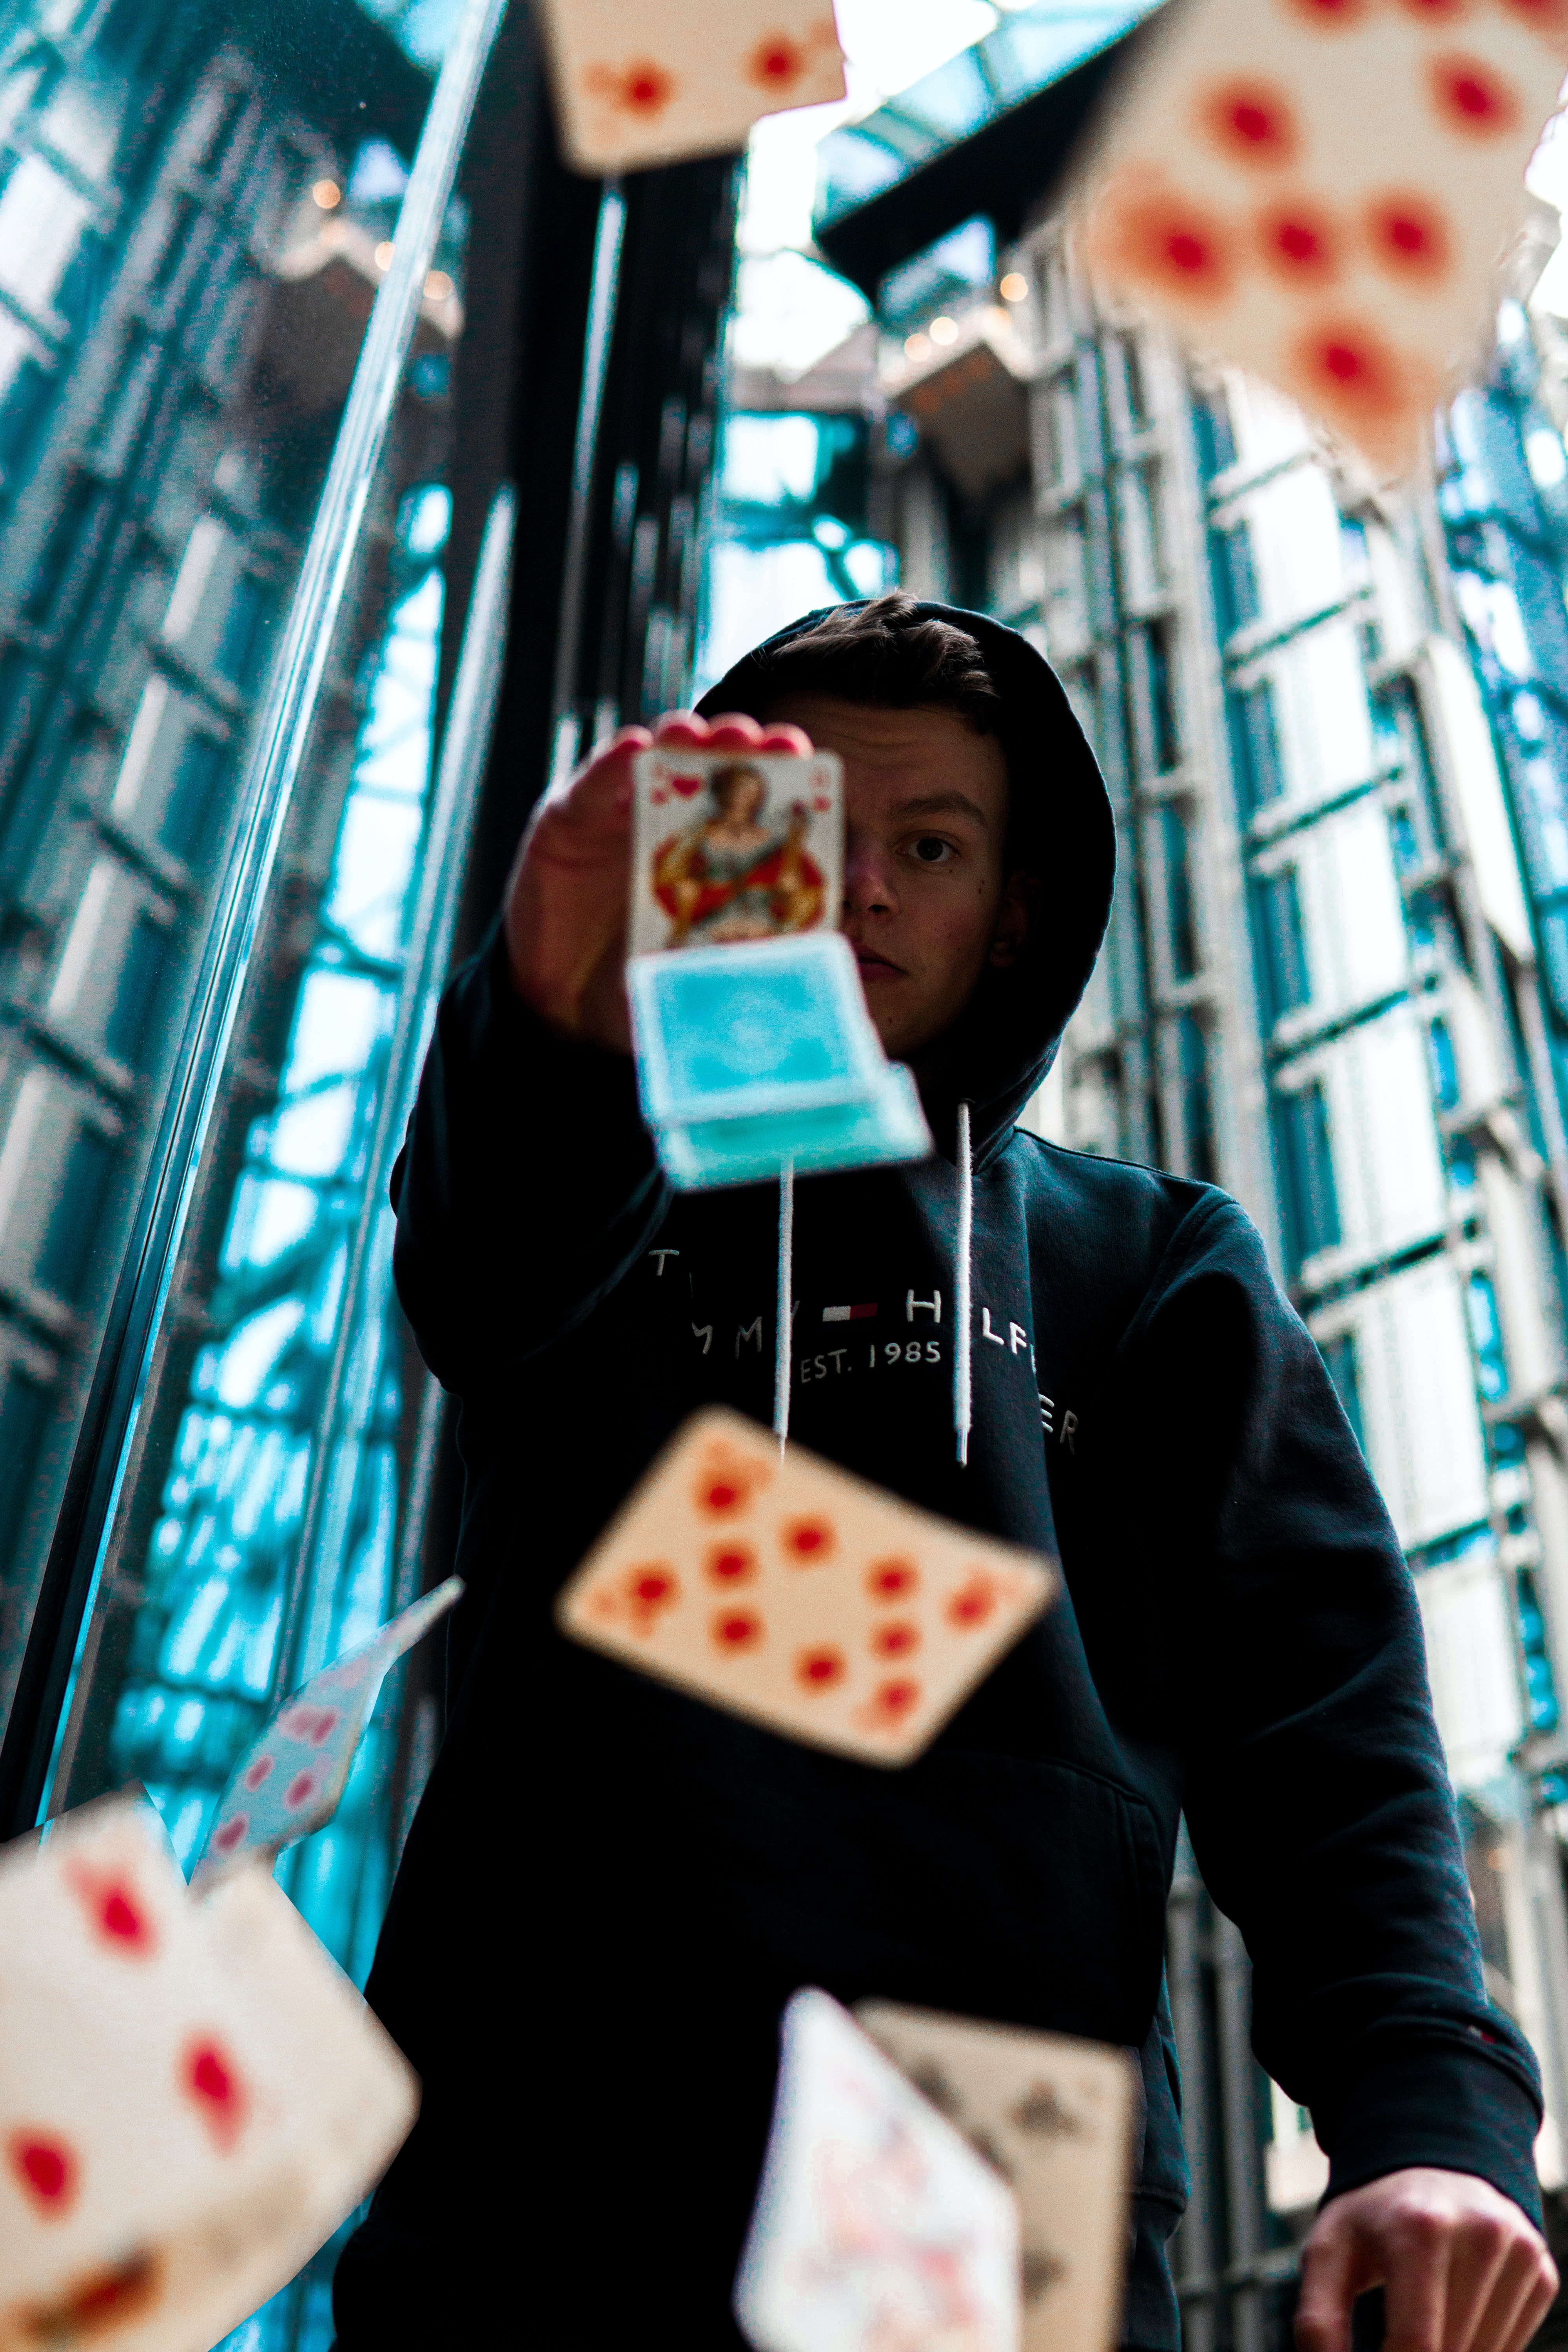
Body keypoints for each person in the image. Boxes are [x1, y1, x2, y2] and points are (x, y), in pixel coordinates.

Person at [332, 594, 1558, 2352]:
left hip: (988, 2179)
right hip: (535, 2179)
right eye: (804, 832)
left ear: (1017, 914)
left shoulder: (1147, 1260)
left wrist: (1430, 2122)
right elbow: (483, 1272)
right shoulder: (585, 1192)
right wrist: (546, 1007)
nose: (863, 889)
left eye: (928, 842)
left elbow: (1326, 1728)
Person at [653, 759, 823, 944]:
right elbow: (668, 877)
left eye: (755, 792)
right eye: (742, 790)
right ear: (725, 793)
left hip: (763, 933)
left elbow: (807, 890)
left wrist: (789, 888)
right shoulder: (696, 838)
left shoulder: (777, 842)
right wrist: (693, 893)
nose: (749, 797)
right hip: (710, 931)